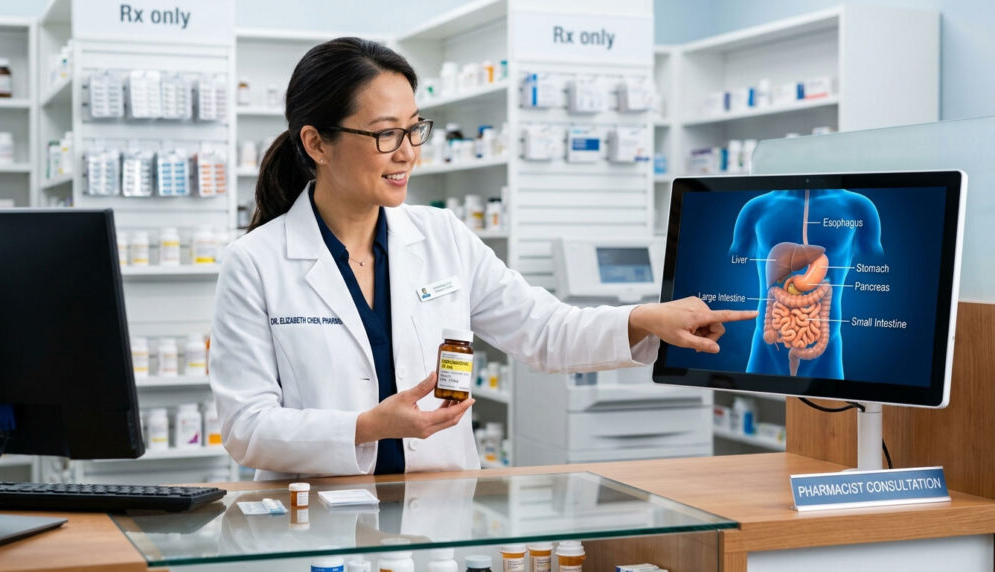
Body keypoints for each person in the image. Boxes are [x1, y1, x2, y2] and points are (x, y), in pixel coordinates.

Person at [209, 37, 757, 480]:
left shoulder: (441, 235)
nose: (407, 152)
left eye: (414, 128)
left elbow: (544, 330)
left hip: (439, 516)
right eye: (384, 134)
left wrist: (642, 318)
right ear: (317, 143)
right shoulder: (255, 262)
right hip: (313, 526)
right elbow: (247, 428)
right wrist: (366, 426)